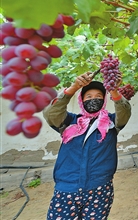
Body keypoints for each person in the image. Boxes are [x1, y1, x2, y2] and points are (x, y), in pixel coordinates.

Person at [43, 71, 132, 220]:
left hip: (99, 188)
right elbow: (50, 113)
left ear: (104, 100)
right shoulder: (69, 122)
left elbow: (125, 112)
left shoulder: (111, 123)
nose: (94, 99)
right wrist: (74, 87)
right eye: (88, 97)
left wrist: (114, 91)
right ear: (81, 100)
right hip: (67, 189)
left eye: (99, 96)